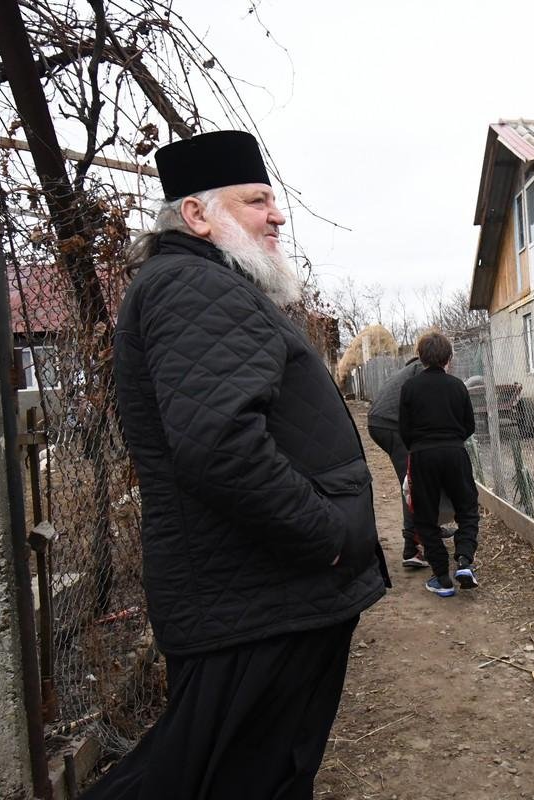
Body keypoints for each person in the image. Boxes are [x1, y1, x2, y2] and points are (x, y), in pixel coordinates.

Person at [84, 130, 389, 800]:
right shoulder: (194, 287)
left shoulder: (205, 284)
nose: (277, 215)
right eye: (256, 201)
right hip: (256, 604)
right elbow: (221, 447)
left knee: (253, 774)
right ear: (197, 215)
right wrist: (329, 539)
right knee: (222, 780)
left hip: (257, 600)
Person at [398, 331, 481, 597]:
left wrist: (420, 445)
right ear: (449, 357)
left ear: (420, 357)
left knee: (424, 516)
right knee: (467, 509)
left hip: (422, 456)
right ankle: (465, 561)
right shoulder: (458, 386)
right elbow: (469, 425)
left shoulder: (409, 388)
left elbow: (404, 429)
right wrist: (452, 439)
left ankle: (442, 577)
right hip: (455, 453)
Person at [367, 354, 429, 569]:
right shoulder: (422, 370)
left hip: (380, 424)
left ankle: (426, 532)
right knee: (411, 484)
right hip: (390, 426)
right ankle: (411, 548)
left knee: (414, 480)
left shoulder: (408, 371)